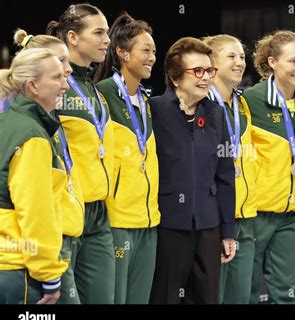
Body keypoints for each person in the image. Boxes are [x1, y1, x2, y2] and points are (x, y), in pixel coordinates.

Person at [149, 37, 236, 304]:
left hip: (209, 227)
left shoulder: (216, 114)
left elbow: (224, 175)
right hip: (168, 226)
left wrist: (228, 230)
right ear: (175, 78)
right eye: (197, 71)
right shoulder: (155, 111)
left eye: (209, 71)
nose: (206, 77)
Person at [47, 3, 116, 304]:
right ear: (72, 37)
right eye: (99, 32)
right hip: (64, 212)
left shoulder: (95, 89)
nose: (107, 40)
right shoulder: (56, 87)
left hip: (98, 214)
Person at [13, 29, 85, 304]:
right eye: (58, 69)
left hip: (61, 233)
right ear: (33, 81)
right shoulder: (27, 128)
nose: (67, 74)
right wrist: (47, 269)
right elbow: (32, 203)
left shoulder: (47, 117)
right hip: (37, 247)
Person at [240, 30, 295, 304]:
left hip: (292, 212)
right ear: (272, 62)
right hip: (257, 212)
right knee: (246, 290)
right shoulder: (251, 99)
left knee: (285, 291)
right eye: (293, 61)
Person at [95, 13, 160, 304]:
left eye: (154, 51)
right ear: (122, 53)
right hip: (118, 219)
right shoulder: (104, 94)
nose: (152, 57)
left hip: (148, 220)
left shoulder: (145, 100)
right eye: (145, 50)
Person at [0, 48, 69, 304]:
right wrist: (49, 275)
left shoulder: (6, 121)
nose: (65, 85)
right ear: (33, 86)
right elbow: (35, 211)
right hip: (19, 272)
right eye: (57, 78)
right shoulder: (31, 135)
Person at [202, 34, 257, 304]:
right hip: (213, 222)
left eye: (242, 57)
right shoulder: (201, 106)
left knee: (241, 298)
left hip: (244, 219)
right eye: (231, 57)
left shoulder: (243, 105)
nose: (239, 63)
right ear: (212, 63)